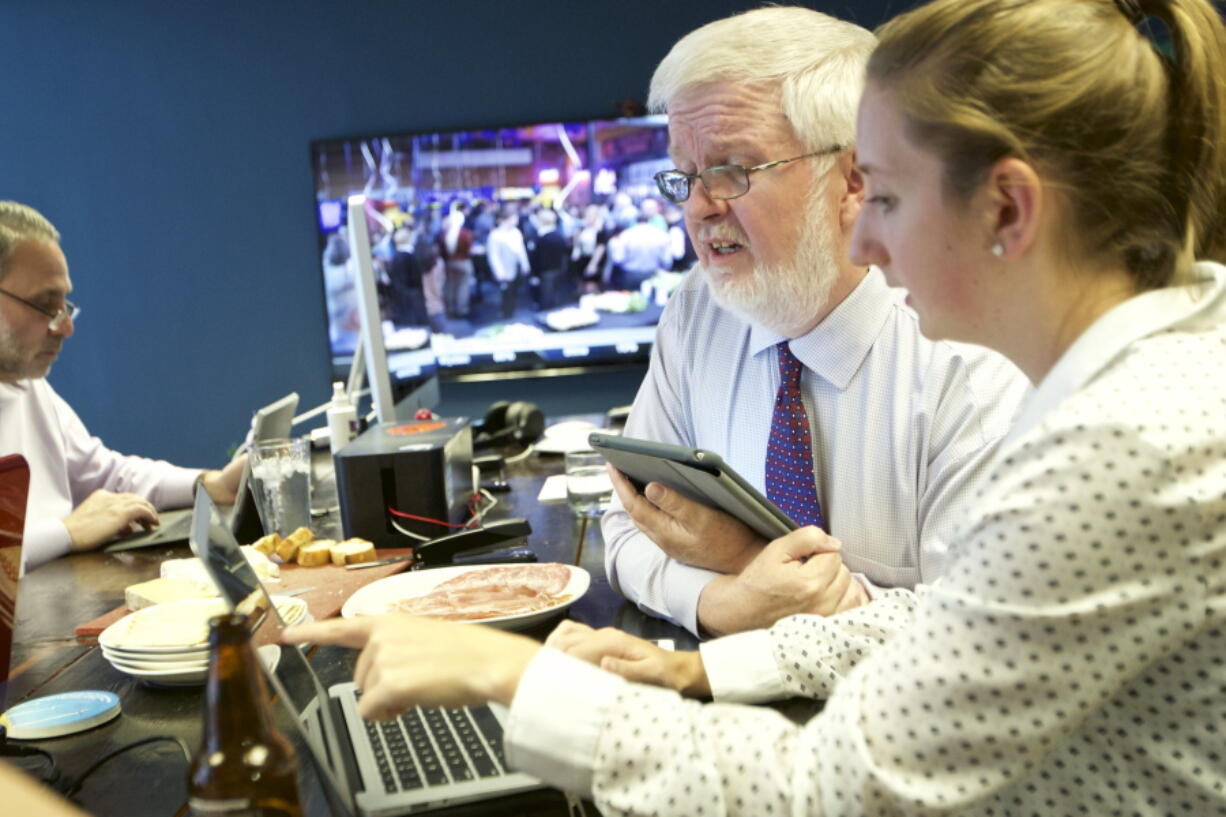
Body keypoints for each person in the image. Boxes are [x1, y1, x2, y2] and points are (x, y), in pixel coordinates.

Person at [285, 0, 1226, 813]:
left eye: (886, 196)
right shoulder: (1139, 388)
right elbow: (944, 635)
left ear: (1008, 212)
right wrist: (716, 639)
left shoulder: (1117, 447)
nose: (866, 237)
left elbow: (834, 788)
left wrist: (510, 674)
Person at [601, 7, 1028, 638]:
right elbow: (626, 521)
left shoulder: (971, 358)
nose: (697, 207)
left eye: (731, 170)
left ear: (852, 179)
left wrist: (758, 570)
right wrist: (724, 600)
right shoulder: (699, 308)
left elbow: (985, 643)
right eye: (685, 176)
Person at [0, 201, 246, 572]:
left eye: (64, 306)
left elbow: (106, 475)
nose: (65, 327)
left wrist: (210, 484)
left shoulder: (28, 385)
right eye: (43, 305)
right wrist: (67, 531)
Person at [486, 207, 530, 319]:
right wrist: (499, 272)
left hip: (515, 269)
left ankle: (511, 312)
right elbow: (493, 256)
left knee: (514, 293)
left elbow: (521, 251)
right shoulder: (495, 235)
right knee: (506, 294)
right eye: (515, 218)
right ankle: (506, 314)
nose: (517, 220)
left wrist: (525, 265)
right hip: (504, 270)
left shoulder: (516, 232)